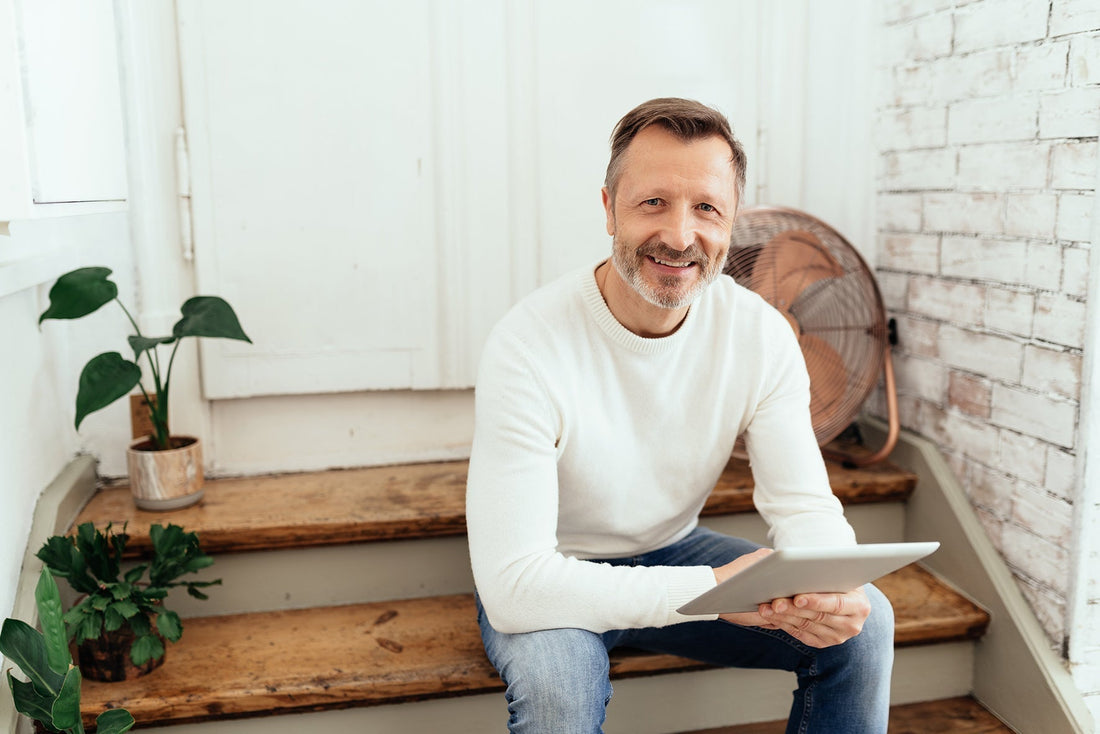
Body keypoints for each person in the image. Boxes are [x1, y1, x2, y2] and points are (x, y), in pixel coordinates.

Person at [465, 97, 894, 734]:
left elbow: (804, 506)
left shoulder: (763, 335)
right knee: (559, 689)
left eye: (706, 208)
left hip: (674, 548)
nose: (680, 235)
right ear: (609, 208)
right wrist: (708, 588)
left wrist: (829, 582)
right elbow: (516, 585)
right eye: (653, 203)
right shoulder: (527, 345)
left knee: (866, 622)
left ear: (733, 221)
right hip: (555, 567)